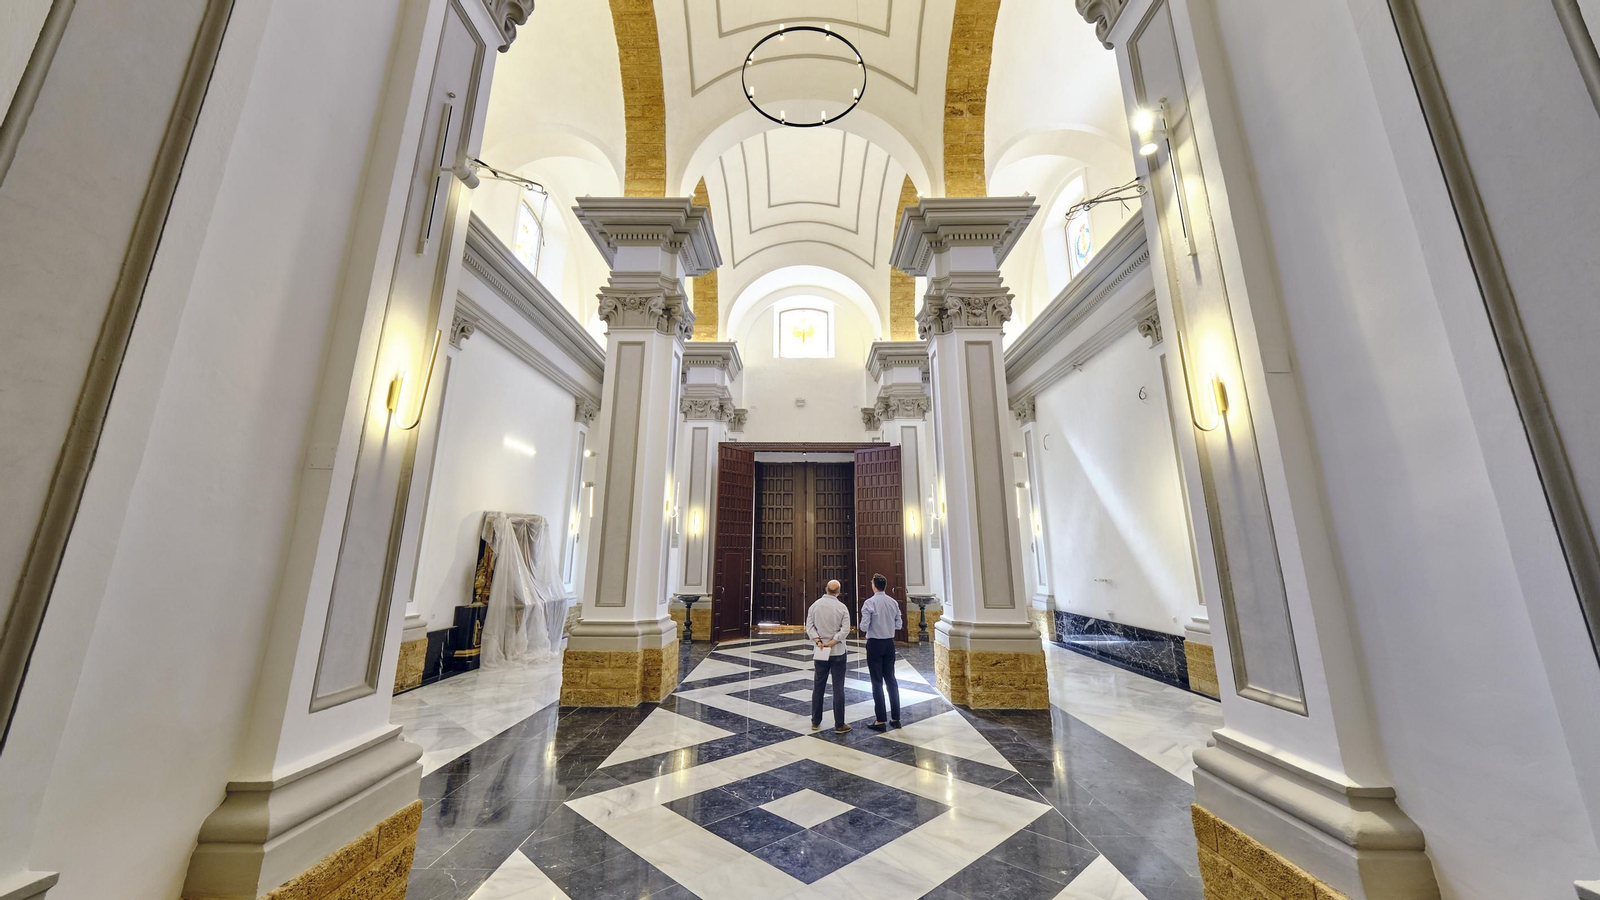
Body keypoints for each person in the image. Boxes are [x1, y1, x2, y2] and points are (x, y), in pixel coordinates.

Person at [805, 579, 852, 734]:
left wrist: (818, 641)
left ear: (826, 589)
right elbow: (845, 630)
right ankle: (839, 724)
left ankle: (815, 721)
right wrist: (832, 642)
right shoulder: (842, 608)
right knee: (838, 687)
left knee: (818, 686)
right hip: (837, 651)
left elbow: (809, 626)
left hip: (820, 651)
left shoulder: (815, 605)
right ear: (838, 592)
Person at [859, 573, 903, 731]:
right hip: (889, 643)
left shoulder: (869, 603)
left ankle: (880, 720)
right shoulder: (893, 602)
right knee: (891, 679)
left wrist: (870, 625)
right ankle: (896, 718)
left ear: (873, 585)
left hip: (875, 644)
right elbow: (899, 625)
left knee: (877, 681)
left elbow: (864, 626)